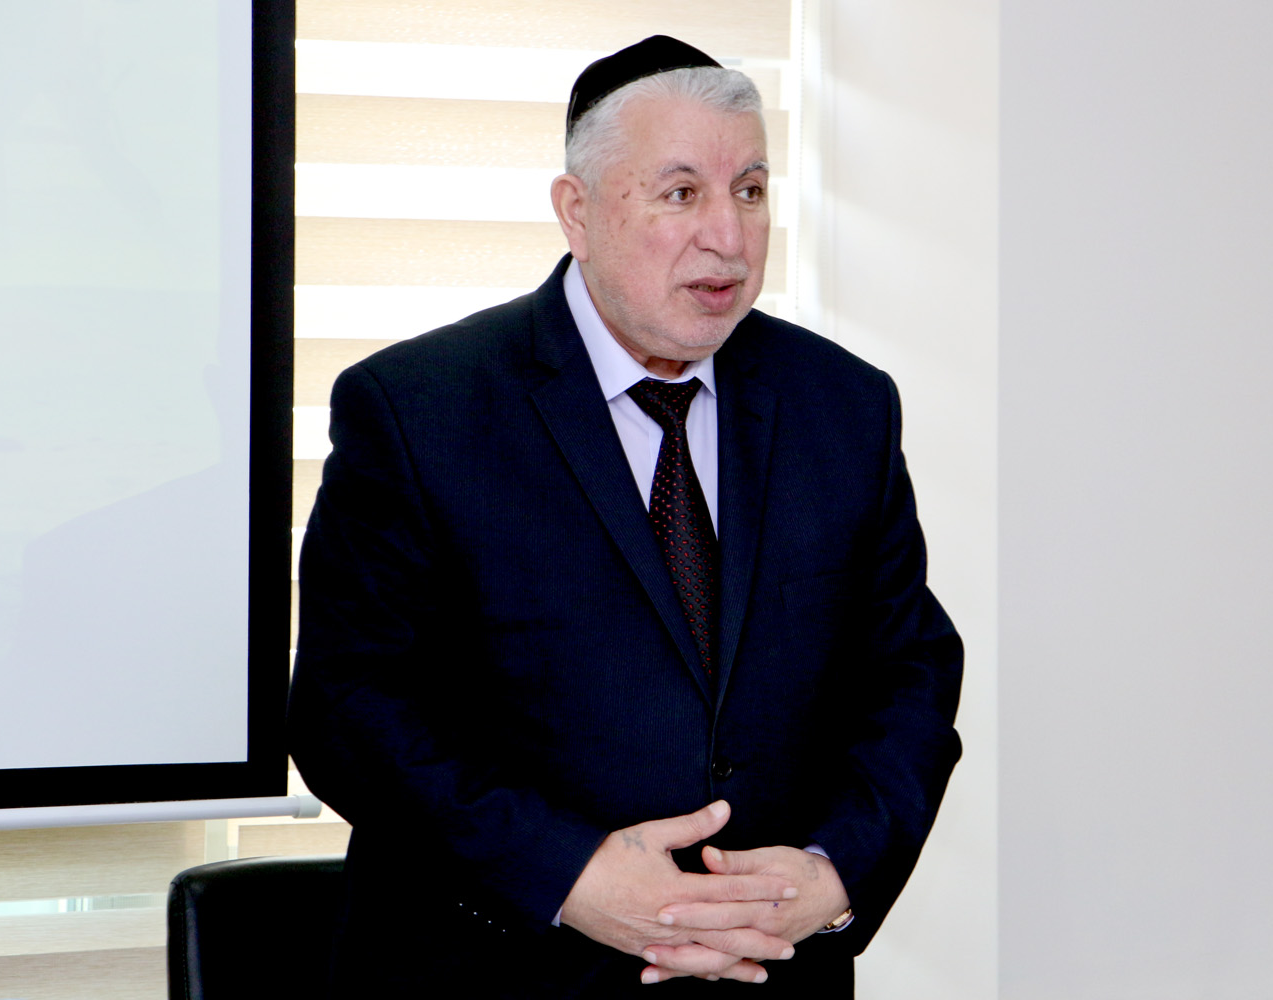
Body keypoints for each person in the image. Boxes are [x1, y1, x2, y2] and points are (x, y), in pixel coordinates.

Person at [288, 35, 962, 998]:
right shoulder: (419, 409)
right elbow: (349, 711)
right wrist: (571, 878)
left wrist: (832, 872)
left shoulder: (844, 406)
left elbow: (910, 674)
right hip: (502, 974)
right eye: (681, 193)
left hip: (768, 975)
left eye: (751, 190)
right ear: (578, 211)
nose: (728, 236)